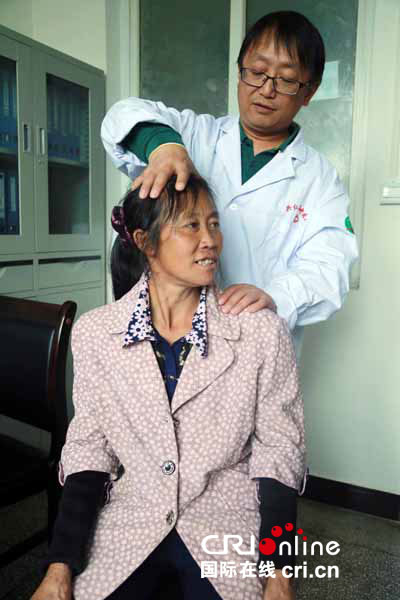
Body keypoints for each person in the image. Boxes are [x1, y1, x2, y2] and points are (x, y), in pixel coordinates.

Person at [31, 175, 305, 600]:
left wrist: (278, 575)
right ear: (146, 242)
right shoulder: (96, 333)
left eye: (214, 224)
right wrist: (59, 567)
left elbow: (280, 452)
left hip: (224, 523)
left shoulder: (260, 331)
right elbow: (89, 449)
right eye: (191, 226)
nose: (210, 240)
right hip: (133, 522)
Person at [101, 10, 358, 357]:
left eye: (285, 80)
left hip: (252, 344)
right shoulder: (195, 134)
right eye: (257, 72)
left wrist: (277, 296)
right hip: (163, 335)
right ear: (240, 72)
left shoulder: (320, 180)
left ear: (308, 91)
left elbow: (330, 269)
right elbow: (122, 115)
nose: (266, 89)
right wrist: (162, 147)